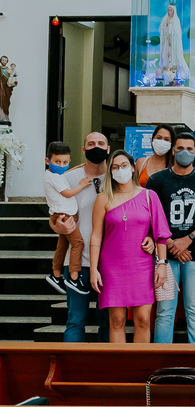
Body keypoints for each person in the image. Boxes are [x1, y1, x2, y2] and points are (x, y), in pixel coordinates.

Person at [90, 150, 170, 343]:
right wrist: (93, 268)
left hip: (141, 265)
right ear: (110, 171)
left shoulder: (149, 196)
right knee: (116, 321)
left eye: (124, 165)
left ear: (132, 167)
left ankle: (141, 366)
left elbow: (161, 233)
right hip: (111, 267)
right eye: (115, 167)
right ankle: (120, 368)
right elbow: (96, 235)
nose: (120, 170)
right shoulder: (103, 199)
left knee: (143, 320)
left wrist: (162, 264)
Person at [147, 132, 195, 344]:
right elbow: (150, 217)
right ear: (173, 150)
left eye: (189, 149)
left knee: (194, 309)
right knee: (165, 311)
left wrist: (188, 239)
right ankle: (162, 358)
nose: (184, 152)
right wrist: (172, 244)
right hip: (164, 255)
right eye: (180, 148)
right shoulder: (157, 180)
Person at [50, 133, 113, 342]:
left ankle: (104, 368)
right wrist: (57, 225)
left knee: (107, 320)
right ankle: (70, 369)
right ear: (84, 150)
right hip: (76, 261)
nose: (97, 147)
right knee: (76, 319)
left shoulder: (116, 178)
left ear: (108, 149)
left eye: (101, 144)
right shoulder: (67, 179)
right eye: (91, 144)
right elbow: (53, 216)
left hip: (108, 262)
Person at [44, 141, 90, 295]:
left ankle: (56, 275)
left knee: (62, 246)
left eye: (65, 162)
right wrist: (82, 184)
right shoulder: (53, 178)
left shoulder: (53, 175)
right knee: (78, 243)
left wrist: (77, 168)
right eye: (57, 162)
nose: (62, 165)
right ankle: (74, 278)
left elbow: (63, 173)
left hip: (63, 215)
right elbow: (68, 193)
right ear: (47, 161)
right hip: (65, 217)